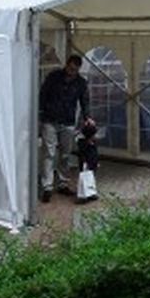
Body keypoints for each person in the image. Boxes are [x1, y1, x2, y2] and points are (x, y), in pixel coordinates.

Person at [37, 53, 91, 202]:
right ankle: (47, 186)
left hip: (67, 121)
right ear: (66, 65)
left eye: (75, 70)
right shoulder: (53, 77)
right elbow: (43, 94)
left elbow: (85, 101)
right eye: (70, 68)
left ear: (78, 69)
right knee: (49, 152)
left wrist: (88, 117)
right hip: (50, 119)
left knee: (65, 154)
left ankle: (62, 183)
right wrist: (41, 113)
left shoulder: (80, 82)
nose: (72, 72)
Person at [75, 117, 100, 203]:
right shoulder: (83, 143)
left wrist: (96, 162)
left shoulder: (91, 142)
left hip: (92, 163)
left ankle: (91, 193)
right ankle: (82, 196)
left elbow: (95, 153)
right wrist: (85, 162)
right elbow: (82, 154)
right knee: (84, 179)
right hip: (86, 163)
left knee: (91, 178)